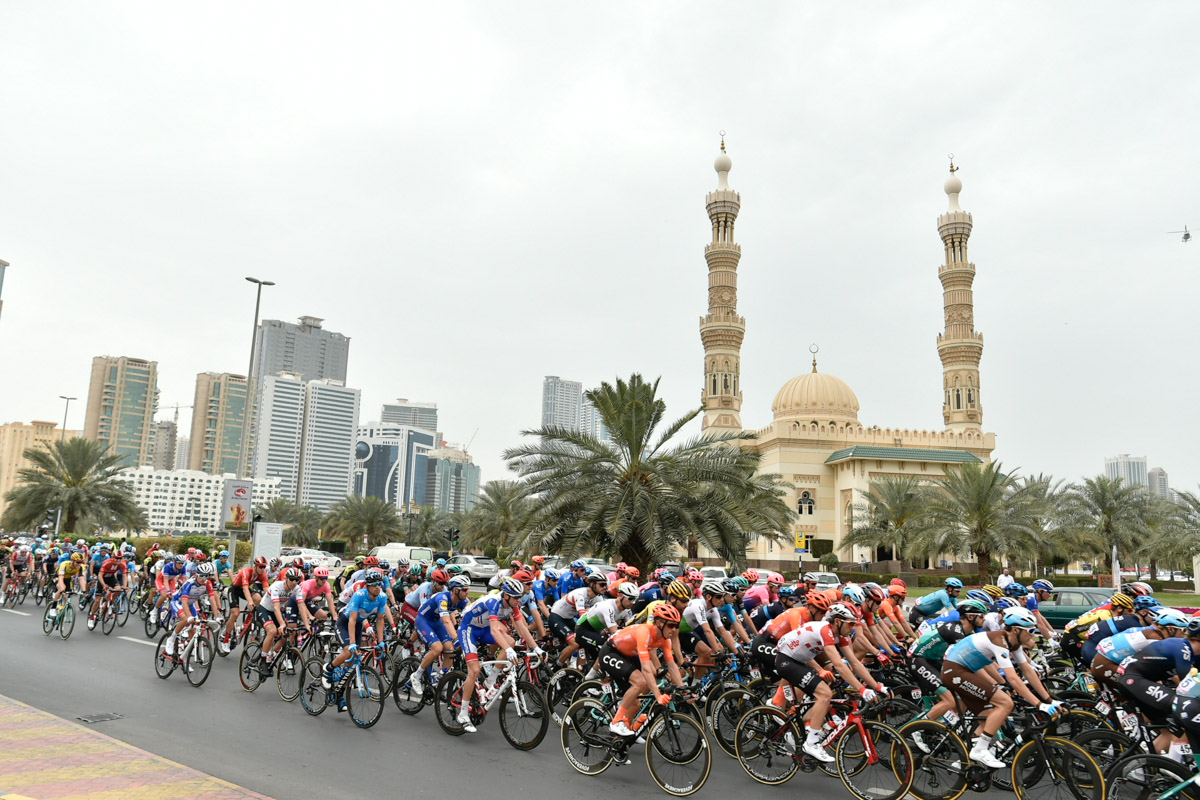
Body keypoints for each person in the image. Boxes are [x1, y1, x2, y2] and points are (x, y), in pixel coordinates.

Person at [941, 608, 1059, 768]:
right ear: (1016, 629)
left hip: (966, 671)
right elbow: (1012, 678)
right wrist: (1039, 705)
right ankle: (980, 750)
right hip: (954, 671)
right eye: (1030, 630)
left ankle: (965, 763)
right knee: (1005, 703)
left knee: (989, 717)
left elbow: (1028, 671)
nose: (1033, 634)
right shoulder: (999, 640)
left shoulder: (1014, 643)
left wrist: (1049, 700)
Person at [772, 602, 885, 762]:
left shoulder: (841, 635)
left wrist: (877, 686)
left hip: (803, 659)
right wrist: (861, 690)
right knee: (824, 694)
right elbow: (839, 664)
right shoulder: (826, 630)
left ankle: (802, 726)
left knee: (828, 691)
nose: (852, 628)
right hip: (787, 659)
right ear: (838, 621)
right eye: (851, 623)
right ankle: (811, 743)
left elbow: (855, 663)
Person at [454, 578, 543, 732]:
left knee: (511, 642)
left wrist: (537, 648)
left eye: (520, 597)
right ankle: (462, 714)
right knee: (474, 671)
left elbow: (522, 628)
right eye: (516, 597)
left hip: (483, 628)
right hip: (469, 629)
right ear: (506, 596)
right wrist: (507, 651)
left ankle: (491, 679)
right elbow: (495, 630)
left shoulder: (513, 605)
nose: (519, 600)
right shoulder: (494, 602)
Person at [603, 603, 688, 738]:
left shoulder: (665, 640)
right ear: (660, 623)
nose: (674, 629)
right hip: (611, 652)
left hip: (628, 655)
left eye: (677, 626)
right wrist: (658, 696)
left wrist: (684, 690)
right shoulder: (645, 632)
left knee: (636, 703)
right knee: (641, 681)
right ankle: (616, 721)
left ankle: (623, 736)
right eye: (671, 625)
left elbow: (672, 665)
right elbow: (646, 669)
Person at [324, 570, 396, 690]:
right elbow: (352, 620)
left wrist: (381, 641)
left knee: (352, 661)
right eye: (374, 585)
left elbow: (380, 620)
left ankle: (341, 692)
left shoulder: (382, 597)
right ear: (368, 586)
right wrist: (352, 643)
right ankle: (329, 668)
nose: (378, 587)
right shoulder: (360, 595)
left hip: (357, 624)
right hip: (344, 622)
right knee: (349, 651)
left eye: (380, 584)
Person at [409, 575, 471, 696]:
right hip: (423, 620)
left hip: (436, 622)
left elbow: (471, 617)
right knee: (437, 648)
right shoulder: (443, 598)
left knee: (451, 650)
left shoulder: (464, 601)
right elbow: (447, 621)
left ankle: (442, 678)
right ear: (455, 590)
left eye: (468, 589)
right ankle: (416, 675)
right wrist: (456, 639)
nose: (467, 592)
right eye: (464, 589)